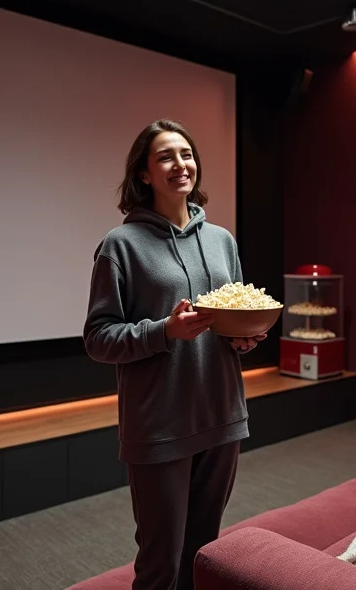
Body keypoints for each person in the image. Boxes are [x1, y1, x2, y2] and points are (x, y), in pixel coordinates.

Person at [83, 119, 265, 590]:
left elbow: (231, 317)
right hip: (159, 424)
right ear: (144, 174)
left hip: (221, 414)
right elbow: (98, 338)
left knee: (202, 551)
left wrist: (243, 337)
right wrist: (164, 330)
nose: (180, 164)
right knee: (160, 562)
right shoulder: (120, 246)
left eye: (186, 154)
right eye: (165, 156)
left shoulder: (222, 240)